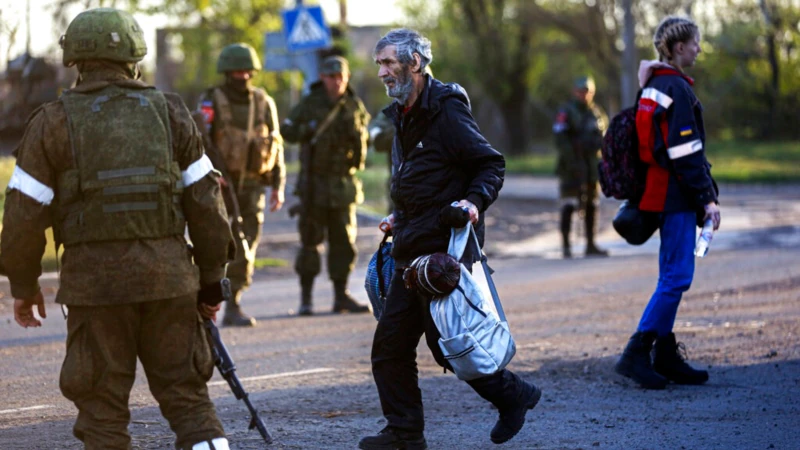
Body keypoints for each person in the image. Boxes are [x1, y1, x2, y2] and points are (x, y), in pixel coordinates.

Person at [1, 8, 235, 449]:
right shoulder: (171, 112)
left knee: (103, 414)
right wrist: (209, 284)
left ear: (74, 59)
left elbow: (21, 217)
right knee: (190, 402)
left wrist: (24, 284)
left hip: (96, 289)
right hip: (170, 283)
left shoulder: (50, 122)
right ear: (135, 56)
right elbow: (207, 207)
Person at [359, 29, 540, 450]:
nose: (382, 72)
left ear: (415, 62)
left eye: (389, 63)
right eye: (380, 64)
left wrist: (474, 202)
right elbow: (418, 179)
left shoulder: (445, 110)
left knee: (450, 349)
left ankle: (516, 397)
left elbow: (490, 165)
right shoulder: (401, 113)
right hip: (410, 247)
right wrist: (398, 215)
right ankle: (404, 434)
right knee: (390, 349)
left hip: (443, 255)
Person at [614, 16, 721, 390]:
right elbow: (686, 153)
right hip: (674, 196)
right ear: (678, 48)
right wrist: (708, 200)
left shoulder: (652, 86)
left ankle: (664, 353)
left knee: (669, 277)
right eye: (695, 43)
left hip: (657, 194)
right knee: (677, 276)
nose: (698, 49)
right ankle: (636, 353)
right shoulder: (675, 86)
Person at [197, 42, 285, 327]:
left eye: (247, 70)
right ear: (226, 72)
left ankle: (234, 301)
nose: (242, 75)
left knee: (248, 244)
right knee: (220, 245)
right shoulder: (211, 101)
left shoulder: (263, 101)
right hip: (221, 187)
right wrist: (211, 174)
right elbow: (199, 142)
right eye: (237, 70)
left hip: (253, 187)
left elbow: (276, 144)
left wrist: (278, 185)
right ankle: (212, 302)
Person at [282, 55, 371, 316]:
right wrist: (306, 130)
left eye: (340, 77)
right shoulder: (310, 104)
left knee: (344, 243)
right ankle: (306, 299)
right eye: (331, 77)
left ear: (347, 77)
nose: (336, 82)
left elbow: (363, 136)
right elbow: (287, 131)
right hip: (314, 185)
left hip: (343, 186)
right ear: (322, 78)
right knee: (310, 241)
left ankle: (340, 296)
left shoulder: (354, 105)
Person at [553, 76, 609, 258]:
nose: (584, 95)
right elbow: (560, 139)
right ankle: (566, 246)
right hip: (571, 166)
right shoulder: (566, 112)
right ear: (574, 92)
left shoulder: (597, 113)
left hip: (592, 166)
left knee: (592, 204)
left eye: (587, 92)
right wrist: (572, 160)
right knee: (569, 204)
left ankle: (591, 244)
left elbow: (604, 138)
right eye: (580, 92)